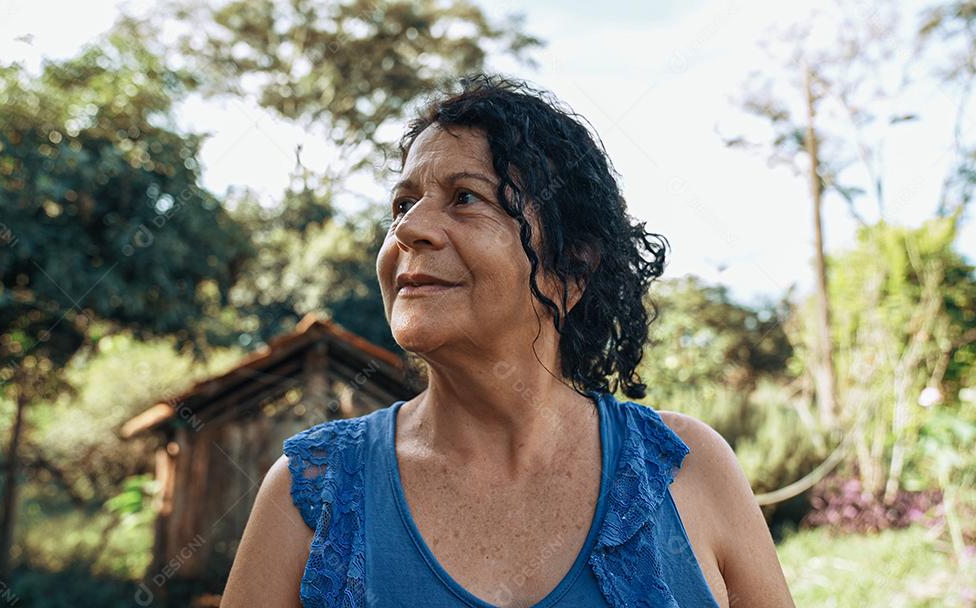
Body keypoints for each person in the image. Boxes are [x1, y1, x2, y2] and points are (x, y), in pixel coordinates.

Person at [221, 74, 795, 608]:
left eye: (466, 197)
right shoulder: (311, 496)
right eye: (402, 204)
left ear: (569, 268)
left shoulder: (690, 470)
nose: (408, 229)